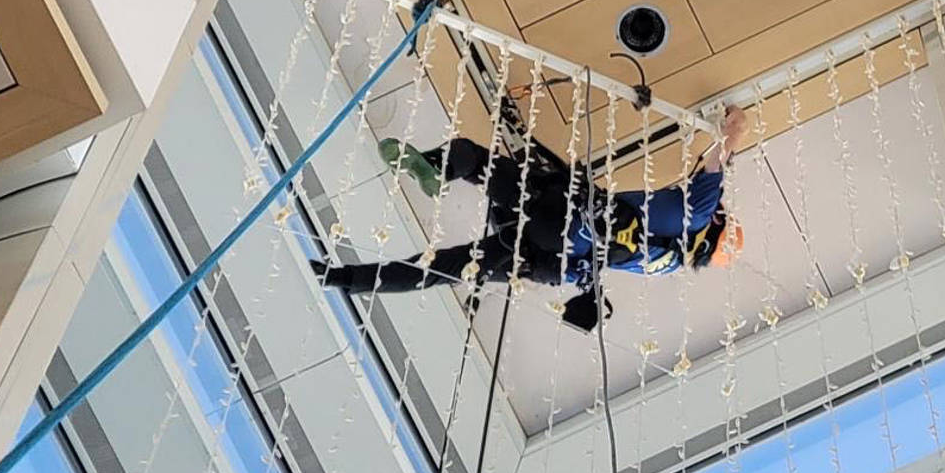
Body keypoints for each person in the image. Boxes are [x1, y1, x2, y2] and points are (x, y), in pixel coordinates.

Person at [314, 107, 752, 329]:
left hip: (559, 211)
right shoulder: (667, 265)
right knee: (447, 268)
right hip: (551, 259)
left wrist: (733, 122)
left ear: (717, 227)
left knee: (471, 158)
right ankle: (345, 280)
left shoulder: (698, 211)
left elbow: (725, 146)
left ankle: (435, 167)